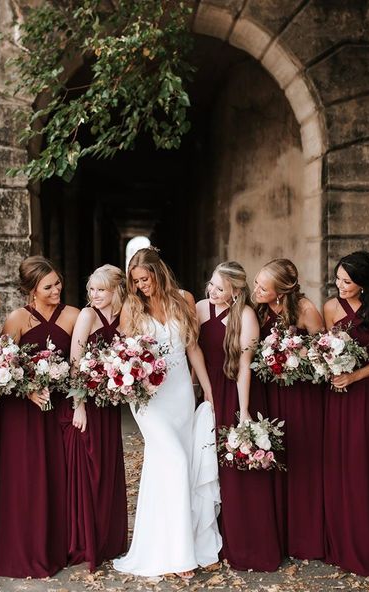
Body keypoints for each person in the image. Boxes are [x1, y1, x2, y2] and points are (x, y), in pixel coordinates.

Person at [113, 247, 221, 579]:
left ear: (159, 273)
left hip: (180, 395)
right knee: (173, 459)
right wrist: (131, 375)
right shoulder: (132, 309)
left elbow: (193, 349)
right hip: (150, 400)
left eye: (145, 279)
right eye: (136, 281)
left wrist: (209, 391)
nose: (141, 286)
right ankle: (179, 555)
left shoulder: (183, 300)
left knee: (179, 467)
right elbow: (122, 354)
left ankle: (186, 543)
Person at [0, 255, 79, 577]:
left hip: (59, 408)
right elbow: (3, 365)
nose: (57, 289)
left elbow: (78, 362)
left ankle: (58, 545)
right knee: (27, 477)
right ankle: (25, 545)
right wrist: (28, 388)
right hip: (24, 411)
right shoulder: (16, 319)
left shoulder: (72, 315)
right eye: (49, 286)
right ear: (31, 289)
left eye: (58, 283)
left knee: (57, 475)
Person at [197, 261, 282, 571]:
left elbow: (245, 365)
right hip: (207, 395)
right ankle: (210, 543)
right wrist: (199, 390)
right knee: (208, 467)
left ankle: (245, 544)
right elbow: (192, 351)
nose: (213, 292)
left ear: (235, 290)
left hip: (236, 392)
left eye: (220, 288)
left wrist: (244, 412)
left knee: (237, 472)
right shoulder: (199, 308)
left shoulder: (245, 315)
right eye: (211, 285)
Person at [323, 251, 369, 576]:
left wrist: (355, 376)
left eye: (347, 282)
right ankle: (345, 540)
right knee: (344, 465)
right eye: (338, 279)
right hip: (340, 394)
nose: (340, 286)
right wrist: (332, 370)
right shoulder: (329, 307)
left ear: (363, 282)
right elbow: (328, 346)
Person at [253, 258, 324, 559]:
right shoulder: (258, 310)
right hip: (270, 395)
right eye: (256, 283)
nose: (256, 290)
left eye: (262, 287)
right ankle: (277, 535)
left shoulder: (306, 309)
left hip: (301, 397)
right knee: (275, 459)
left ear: (280, 292)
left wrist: (295, 354)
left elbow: (324, 354)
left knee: (302, 460)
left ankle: (305, 537)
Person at [61, 264, 127, 570]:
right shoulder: (88, 316)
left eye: (101, 290)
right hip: (87, 402)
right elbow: (75, 362)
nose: (95, 295)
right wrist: (79, 405)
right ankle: (88, 540)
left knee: (109, 466)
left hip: (110, 402)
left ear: (116, 290)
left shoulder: (125, 314)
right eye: (92, 290)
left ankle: (110, 540)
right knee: (91, 469)